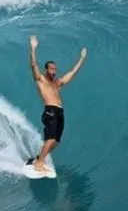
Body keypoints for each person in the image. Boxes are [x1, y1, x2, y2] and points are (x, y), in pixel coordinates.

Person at [28, 34, 87, 173]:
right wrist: (33, 48)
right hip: (50, 112)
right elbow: (33, 65)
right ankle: (39, 164)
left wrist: (82, 59)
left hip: (60, 113)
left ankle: (39, 157)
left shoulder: (57, 83)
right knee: (51, 138)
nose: (54, 71)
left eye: (55, 69)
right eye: (51, 69)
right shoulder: (40, 79)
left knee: (56, 142)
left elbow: (72, 72)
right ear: (46, 69)